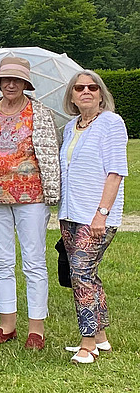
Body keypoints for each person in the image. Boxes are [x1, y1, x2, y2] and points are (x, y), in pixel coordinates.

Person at [0, 56, 60, 350]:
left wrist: (52, 190)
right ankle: (6, 323)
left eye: (17, 80)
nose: (11, 84)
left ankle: (37, 329)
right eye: (5, 79)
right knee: (1, 261)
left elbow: (49, 154)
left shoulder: (40, 113)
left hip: (31, 196)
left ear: (25, 84)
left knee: (34, 261)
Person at [57, 70, 126, 364]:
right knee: (89, 275)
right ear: (72, 95)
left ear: (101, 94)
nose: (86, 91)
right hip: (70, 214)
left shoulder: (111, 123)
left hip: (96, 215)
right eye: (79, 87)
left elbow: (116, 171)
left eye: (92, 87)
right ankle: (101, 337)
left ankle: (88, 345)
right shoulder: (71, 127)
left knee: (81, 274)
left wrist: (102, 213)